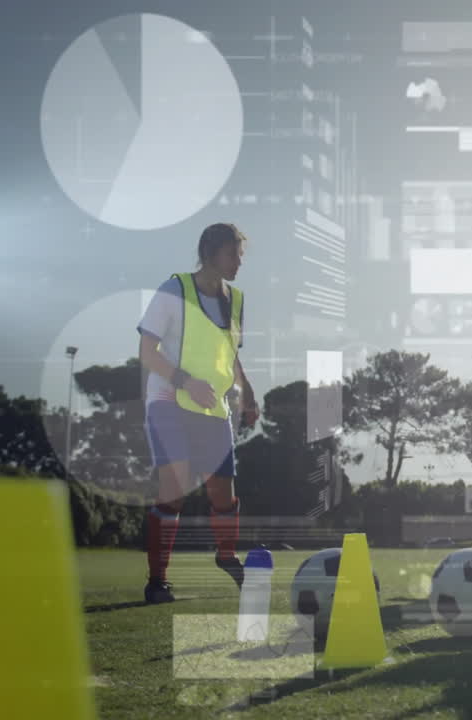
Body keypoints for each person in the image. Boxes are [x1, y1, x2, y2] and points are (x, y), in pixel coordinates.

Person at [137, 223, 259, 604]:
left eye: (240, 255)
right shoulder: (174, 291)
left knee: (223, 492)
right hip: (168, 402)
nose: (239, 262)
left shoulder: (235, 300)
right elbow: (146, 352)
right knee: (173, 491)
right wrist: (185, 381)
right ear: (210, 254)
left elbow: (231, 354)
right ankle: (157, 581)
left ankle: (226, 556)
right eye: (232, 254)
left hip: (213, 408)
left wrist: (249, 394)